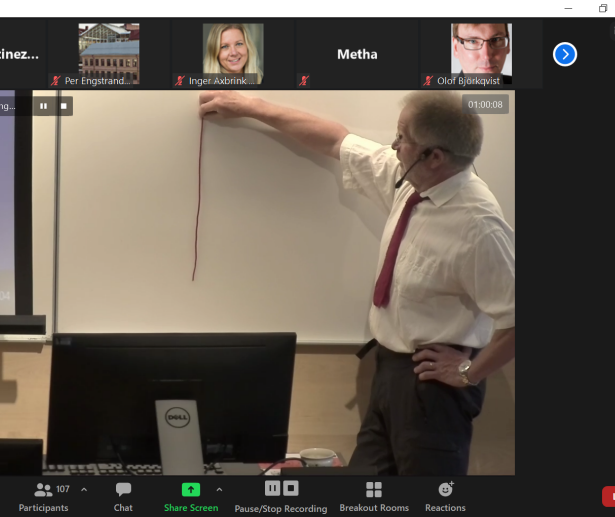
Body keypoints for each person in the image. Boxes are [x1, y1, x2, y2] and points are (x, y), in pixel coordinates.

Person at [198, 90, 515, 475]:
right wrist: (251, 107)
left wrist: (468, 373)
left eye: (402, 138)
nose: (394, 146)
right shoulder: (412, 181)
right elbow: (337, 140)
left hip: (434, 387)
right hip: (390, 370)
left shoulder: (479, 226)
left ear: (434, 157)